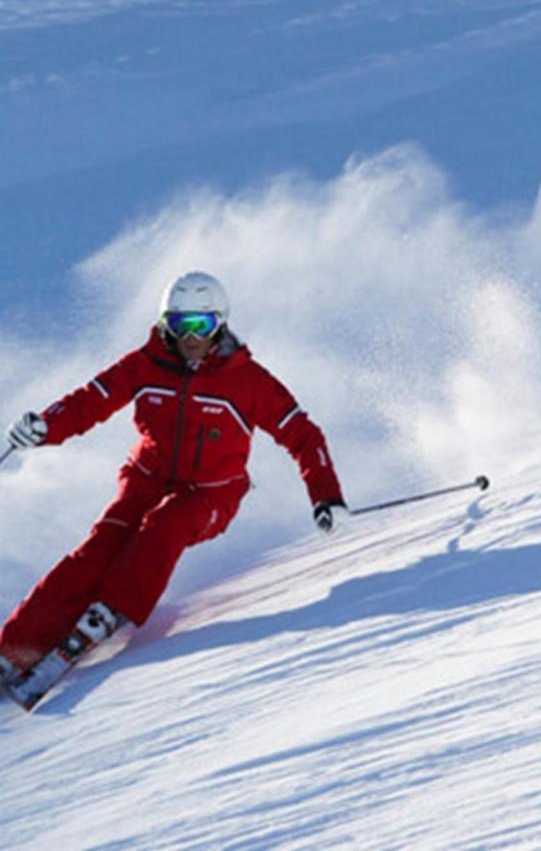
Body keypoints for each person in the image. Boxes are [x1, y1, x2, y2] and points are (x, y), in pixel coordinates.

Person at [0, 271, 345, 688]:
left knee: (166, 525)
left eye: (202, 325)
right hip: (146, 480)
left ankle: (110, 610)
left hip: (210, 494)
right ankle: (13, 650)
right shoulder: (144, 364)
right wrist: (45, 427)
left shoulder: (248, 381)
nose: (191, 337)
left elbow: (304, 436)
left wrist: (325, 496)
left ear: (220, 324)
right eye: (180, 325)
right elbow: (90, 401)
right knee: (96, 550)